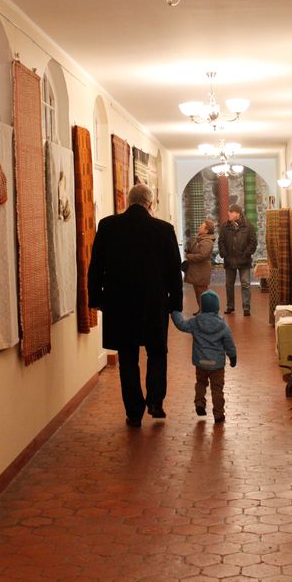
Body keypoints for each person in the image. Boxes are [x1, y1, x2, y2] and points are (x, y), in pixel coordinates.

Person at [88, 183, 183, 428]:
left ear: (128, 202)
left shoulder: (108, 226)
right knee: (157, 351)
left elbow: (96, 265)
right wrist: (175, 304)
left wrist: (96, 299)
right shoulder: (164, 229)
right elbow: (174, 271)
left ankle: (133, 412)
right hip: (154, 302)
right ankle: (155, 402)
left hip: (119, 303)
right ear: (150, 204)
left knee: (128, 357)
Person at [171, 290, 236, 423]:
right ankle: (218, 413)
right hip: (217, 365)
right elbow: (229, 342)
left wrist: (174, 312)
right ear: (217, 307)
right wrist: (233, 356)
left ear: (202, 306)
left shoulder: (196, 322)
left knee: (200, 383)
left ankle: (199, 403)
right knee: (217, 389)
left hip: (200, 362)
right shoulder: (222, 324)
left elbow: (181, 325)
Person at [218, 203, 257, 317]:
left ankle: (246, 308)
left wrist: (245, 254)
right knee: (229, 285)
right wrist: (225, 255)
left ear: (238, 214)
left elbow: (253, 242)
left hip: (244, 261)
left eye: (231, 212)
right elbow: (221, 242)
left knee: (245, 285)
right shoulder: (225, 227)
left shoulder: (248, 226)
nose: (229, 213)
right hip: (230, 260)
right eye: (229, 211)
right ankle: (230, 306)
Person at [183, 219, 216, 314]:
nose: (199, 227)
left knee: (203, 293)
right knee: (198, 292)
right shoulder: (200, 239)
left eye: (202, 226)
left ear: (206, 230)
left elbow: (202, 256)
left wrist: (189, 256)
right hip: (197, 271)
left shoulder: (207, 241)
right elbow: (196, 251)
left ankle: (206, 312)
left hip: (202, 271)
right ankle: (201, 310)